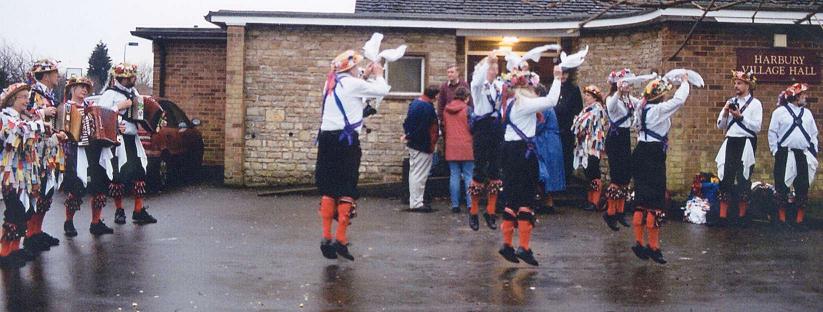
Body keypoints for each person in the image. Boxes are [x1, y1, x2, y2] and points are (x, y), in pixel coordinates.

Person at [316, 50, 390, 261]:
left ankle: (326, 237)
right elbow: (381, 90)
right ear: (351, 68)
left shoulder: (330, 83)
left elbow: (354, 93)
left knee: (330, 188)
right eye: (357, 66)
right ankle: (340, 239)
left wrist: (364, 76)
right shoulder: (353, 84)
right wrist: (378, 73)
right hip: (345, 142)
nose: (359, 69)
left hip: (326, 140)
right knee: (347, 187)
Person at [497, 65, 563, 266]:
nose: (535, 92)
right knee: (526, 199)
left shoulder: (508, 103)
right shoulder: (524, 103)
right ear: (526, 88)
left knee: (511, 199)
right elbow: (551, 101)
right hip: (523, 153)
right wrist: (557, 78)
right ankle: (524, 247)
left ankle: (507, 245)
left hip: (508, 152)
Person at [631, 73, 692, 264]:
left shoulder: (640, 107)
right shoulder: (658, 110)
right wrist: (684, 83)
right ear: (660, 96)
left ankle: (639, 243)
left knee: (641, 199)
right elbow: (679, 100)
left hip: (640, 152)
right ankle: (654, 247)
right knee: (655, 202)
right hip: (653, 154)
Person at [97, 63, 158, 226]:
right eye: (131, 77)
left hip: (132, 139)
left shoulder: (134, 93)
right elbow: (100, 116)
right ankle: (119, 210)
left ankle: (139, 210)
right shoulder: (110, 94)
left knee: (139, 172)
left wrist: (151, 123)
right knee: (118, 176)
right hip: (117, 141)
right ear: (122, 79)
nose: (134, 79)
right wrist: (119, 107)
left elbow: (140, 112)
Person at [60, 75, 115, 236]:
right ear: (72, 89)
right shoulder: (66, 108)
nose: (84, 90)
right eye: (81, 87)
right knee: (77, 188)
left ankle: (96, 222)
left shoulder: (92, 107)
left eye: (86, 87)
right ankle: (68, 222)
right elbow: (64, 131)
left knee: (100, 185)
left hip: (94, 151)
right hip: (76, 152)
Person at [0, 83, 42, 268]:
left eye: (27, 96)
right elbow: (19, 132)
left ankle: (15, 249)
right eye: (23, 97)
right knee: (14, 210)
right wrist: (39, 123)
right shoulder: (5, 116)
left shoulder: (23, 117)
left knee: (23, 210)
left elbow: (31, 133)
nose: (27, 100)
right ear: (12, 99)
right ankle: (4, 252)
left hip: (24, 174)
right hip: (10, 174)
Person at [25, 59, 63, 252]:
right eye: (56, 73)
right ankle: (30, 234)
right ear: (47, 75)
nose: (58, 76)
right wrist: (42, 112)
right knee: (37, 190)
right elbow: (22, 115)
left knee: (47, 191)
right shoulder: (31, 92)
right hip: (36, 151)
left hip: (49, 149)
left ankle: (37, 231)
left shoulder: (49, 95)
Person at [715, 70, 761, 227]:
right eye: (735, 83)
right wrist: (726, 111)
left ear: (748, 85)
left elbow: (757, 127)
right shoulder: (730, 101)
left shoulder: (756, 104)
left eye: (739, 83)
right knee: (726, 176)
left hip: (747, 141)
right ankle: (722, 217)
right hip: (731, 141)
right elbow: (720, 125)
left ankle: (742, 218)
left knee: (744, 176)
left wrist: (741, 117)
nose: (736, 86)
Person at [768, 83, 818, 231]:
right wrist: (775, 151)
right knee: (781, 186)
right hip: (784, 153)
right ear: (795, 97)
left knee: (802, 187)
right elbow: (772, 132)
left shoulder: (807, 113)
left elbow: (813, 134)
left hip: (802, 153)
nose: (805, 97)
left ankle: (799, 221)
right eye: (803, 94)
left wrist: (813, 150)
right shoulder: (779, 112)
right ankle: (781, 221)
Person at [467, 51, 504, 231]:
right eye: (491, 67)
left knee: (495, 170)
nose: (494, 70)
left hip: (497, 127)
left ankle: (490, 211)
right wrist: (485, 63)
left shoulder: (499, 85)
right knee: (479, 168)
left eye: (496, 67)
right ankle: (473, 211)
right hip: (482, 128)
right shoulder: (477, 87)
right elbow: (477, 79)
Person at [604, 69, 638, 229]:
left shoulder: (628, 99)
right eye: (625, 83)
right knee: (617, 176)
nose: (628, 86)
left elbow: (641, 103)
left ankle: (620, 211)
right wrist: (618, 91)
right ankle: (610, 213)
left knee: (625, 175)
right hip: (615, 138)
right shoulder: (613, 98)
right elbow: (610, 107)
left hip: (624, 136)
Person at [403, 85, 440, 212]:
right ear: (435, 96)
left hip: (413, 144)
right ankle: (417, 202)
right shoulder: (427, 108)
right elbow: (426, 128)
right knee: (420, 175)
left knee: (413, 173)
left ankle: (414, 200)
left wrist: (408, 135)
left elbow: (407, 122)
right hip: (423, 145)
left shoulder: (414, 103)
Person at [572, 85, 608, 213]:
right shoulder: (586, 109)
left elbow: (588, 125)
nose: (585, 97)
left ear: (594, 98)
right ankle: (590, 200)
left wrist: (581, 128)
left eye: (588, 95)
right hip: (585, 145)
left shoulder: (597, 109)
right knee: (588, 171)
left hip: (593, 145)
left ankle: (595, 201)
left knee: (593, 170)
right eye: (585, 95)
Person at [534, 84, 565, 214]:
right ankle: (546, 201)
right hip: (548, 141)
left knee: (545, 170)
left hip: (547, 143)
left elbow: (538, 126)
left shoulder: (544, 107)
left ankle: (547, 202)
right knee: (547, 171)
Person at [442, 86, 474, 213]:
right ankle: (470, 204)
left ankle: (455, 204)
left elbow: (445, 126)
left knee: (454, 175)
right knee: (468, 175)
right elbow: (472, 127)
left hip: (451, 145)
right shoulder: (468, 110)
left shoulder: (446, 109)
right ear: (466, 97)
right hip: (466, 145)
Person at [554, 67, 583, 183]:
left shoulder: (574, 89)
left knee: (567, 152)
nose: (563, 76)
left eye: (565, 73)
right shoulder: (553, 88)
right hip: (555, 127)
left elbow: (578, 109)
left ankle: (567, 178)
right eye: (561, 74)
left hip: (568, 126)